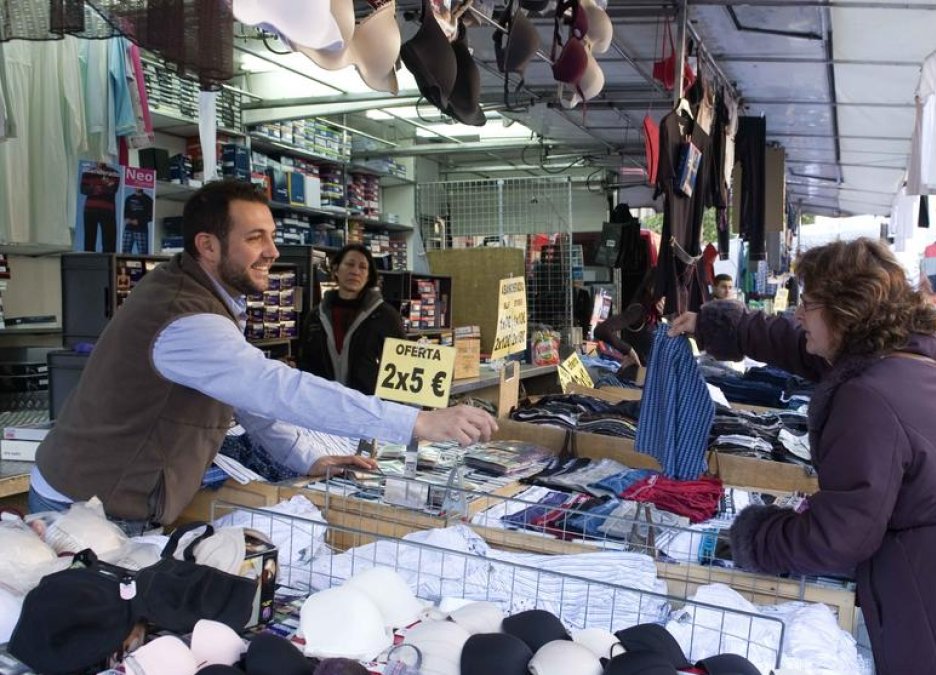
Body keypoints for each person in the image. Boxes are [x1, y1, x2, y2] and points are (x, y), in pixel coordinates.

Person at [669, 237, 936, 674]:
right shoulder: (909, 348)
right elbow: (797, 341)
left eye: (809, 303)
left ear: (846, 311)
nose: (798, 313)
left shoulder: (867, 398)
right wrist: (724, 328)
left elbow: (839, 535)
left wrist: (755, 536)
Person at [31, 181, 497, 533]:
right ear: (207, 246)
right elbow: (273, 387)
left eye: (272, 236)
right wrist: (415, 422)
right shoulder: (183, 316)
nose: (273, 252)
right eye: (255, 238)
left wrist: (305, 459)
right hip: (86, 507)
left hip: (111, 496)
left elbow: (247, 401)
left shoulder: (203, 295)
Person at [298, 243, 403, 396]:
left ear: (369, 276)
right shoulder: (315, 317)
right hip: (323, 408)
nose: (355, 271)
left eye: (363, 267)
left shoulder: (386, 316)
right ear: (336, 269)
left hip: (369, 410)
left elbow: (402, 368)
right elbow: (304, 365)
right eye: (349, 264)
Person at [594, 273, 664, 375]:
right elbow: (602, 330)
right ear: (652, 291)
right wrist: (629, 350)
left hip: (648, 380)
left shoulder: (658, 317)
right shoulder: (638, 311)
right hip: (633, 381)